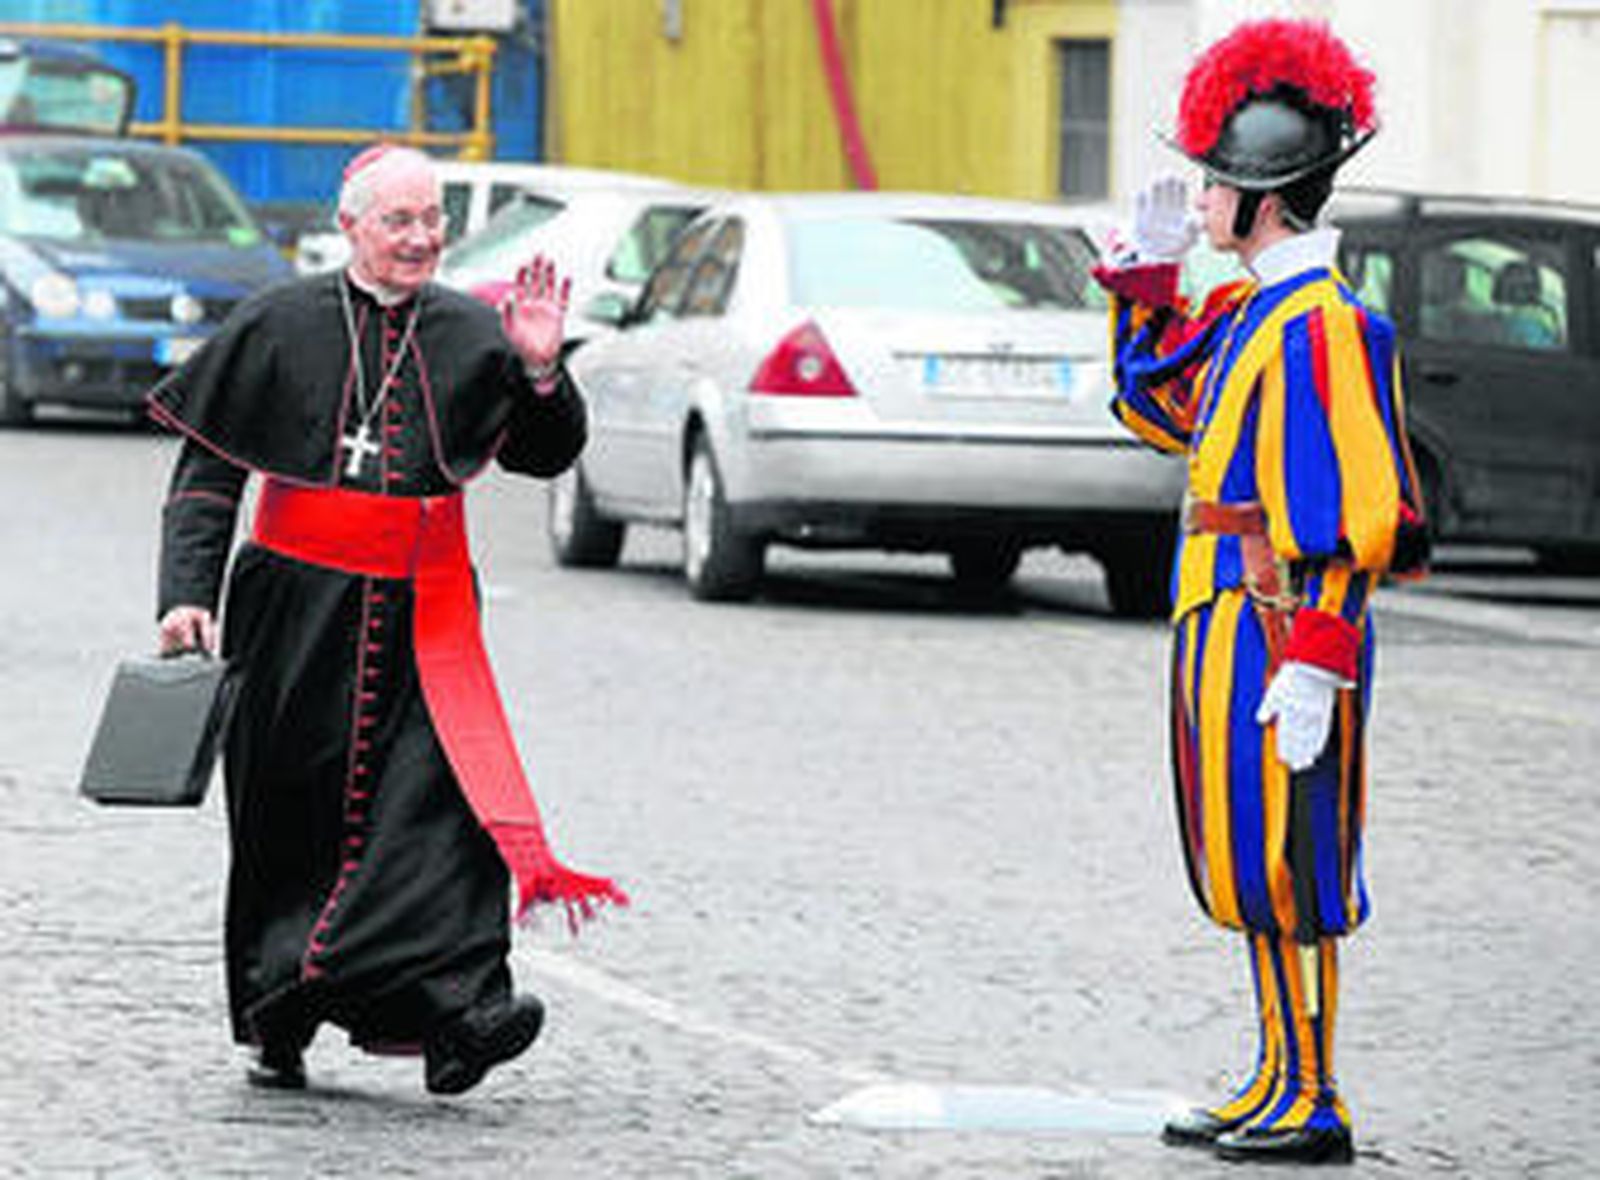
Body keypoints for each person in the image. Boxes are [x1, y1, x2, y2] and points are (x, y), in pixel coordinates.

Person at [150, 144, 626, 1095]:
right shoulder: (278, 322)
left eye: (432, 220)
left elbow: (544, 455)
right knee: (289, 818)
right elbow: (208, 475)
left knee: (440, 808)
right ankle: (277, 1012)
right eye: (399, 221)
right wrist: (185, 593)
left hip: (425, 610)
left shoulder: (470, 330)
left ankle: (462, 1012)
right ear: (352, 224)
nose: (420, 238)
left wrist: (538, 371)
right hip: (293, 610)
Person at [1093, 20, 1428, 1165]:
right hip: (1222, 621)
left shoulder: (1325, 325)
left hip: (1280, 623)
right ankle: (1278, 1070)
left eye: (1211, 184)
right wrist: (1140, 290)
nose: (1196, 201)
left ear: (1264, 198)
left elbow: (1360, 510)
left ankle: (1314, 1094)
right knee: (1245, 860)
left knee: (1292, 865)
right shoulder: (1250, 314)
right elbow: (1158, 413)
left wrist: (1318, 656)